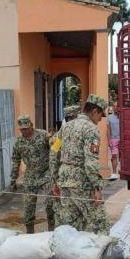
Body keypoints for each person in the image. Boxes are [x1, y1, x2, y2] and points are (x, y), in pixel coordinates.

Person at [51, 94, 108, 233]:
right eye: (101, 115)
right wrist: (97, 187)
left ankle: (65, 253)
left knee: (69, 226)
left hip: (64, 181)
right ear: (94, 112)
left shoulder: (65, 127)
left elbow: (54, 152)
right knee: (101, 224)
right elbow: (90, 161)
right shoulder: (91, 130)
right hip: (81, 183)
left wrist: (55, 181)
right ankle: (104, 254)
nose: (100, 119)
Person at [9, 114, 55, 233]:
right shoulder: (19, 142)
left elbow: (56, 148)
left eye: (26, 128)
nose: (25, 131)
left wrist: (54, 139)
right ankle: (30, 233)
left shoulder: (43, 135)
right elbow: (15, 160)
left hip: (46, 174)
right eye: (22, 129)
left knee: (50, 203)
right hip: (30, 176)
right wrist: (13, 180)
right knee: (28, 206)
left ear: (31, 125)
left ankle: (52, 230)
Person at [107, 104, 121, 180]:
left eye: (117, 106)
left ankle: (122, 171)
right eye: (114, 106)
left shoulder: (122, 116)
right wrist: (109, 140)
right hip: (113, 139)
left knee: (123, 157)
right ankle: (114, 173)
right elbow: (108, 129)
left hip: (122, 139)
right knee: (114, 156)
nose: (115, 107)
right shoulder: (109, 117)